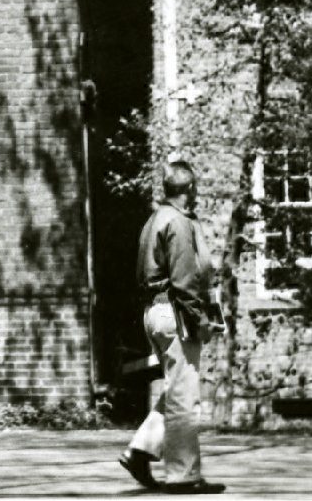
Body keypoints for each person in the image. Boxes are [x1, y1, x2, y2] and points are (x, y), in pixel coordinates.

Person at [119, 160, 225, 494]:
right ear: (190, 188)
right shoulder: (177, 223)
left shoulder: (154, 220)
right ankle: (183, 476)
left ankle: (141, 449)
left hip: (156, 311)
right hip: (175, 311)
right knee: (185, 396)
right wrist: (201, 320)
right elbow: (185, 280)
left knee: (177, 388)